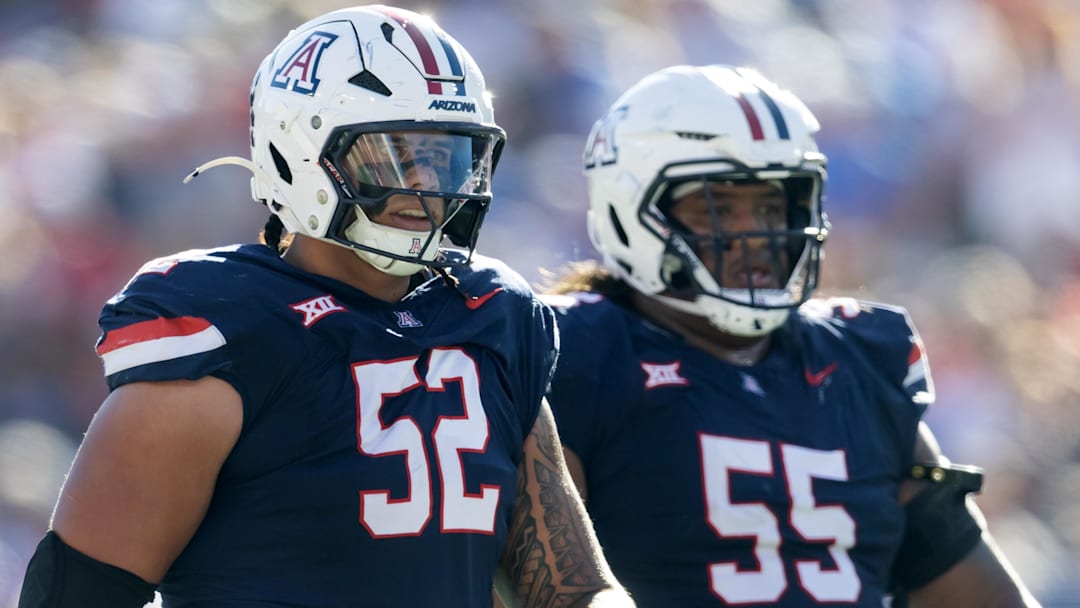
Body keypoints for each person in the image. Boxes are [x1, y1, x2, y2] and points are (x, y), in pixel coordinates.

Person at [17, 6, 632, 608]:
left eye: (444, 156)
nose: (422, 184)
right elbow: (78, 593)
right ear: (300, 151)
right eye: (392, 154)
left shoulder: (491, 317)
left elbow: (571, 588)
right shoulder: (225, 329)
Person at [542, 64, 1041, 607]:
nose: (755, 233)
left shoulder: (860, 361)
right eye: (719, 207)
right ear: (632, 206)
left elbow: (979, 593)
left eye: (772, 204)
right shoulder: (575, 351)